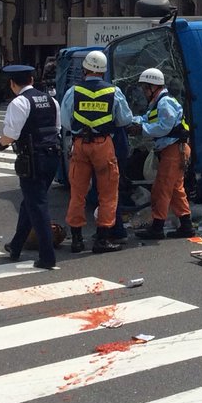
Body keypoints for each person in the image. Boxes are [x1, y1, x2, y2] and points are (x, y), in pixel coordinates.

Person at [61, 50, 132, 254]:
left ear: (85, 69)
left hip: (80, 144)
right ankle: (103, 239)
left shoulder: (73, 91)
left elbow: (65, 121)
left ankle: (76, 240)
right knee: (108, 193)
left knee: (77, 193)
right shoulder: (113, 91)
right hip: (103, 144)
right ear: (103, 71)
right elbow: (124, 119)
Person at [0, 64, 62, 270]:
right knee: (31, 201)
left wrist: (0, 144)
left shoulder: (19, 102)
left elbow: (11, 135)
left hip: (33, 159)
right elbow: (57, 128)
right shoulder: (51, 100)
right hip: (53, 157)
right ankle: (16, 246)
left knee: (38, 205)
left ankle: (47, 256)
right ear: (32, 80)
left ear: (12, 84)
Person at [130, 68, 195, 240]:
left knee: (161, 189)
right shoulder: (158, 103)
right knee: (175, 189)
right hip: (174, 149)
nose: (144, 92)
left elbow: (164, 126)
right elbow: (147, 119)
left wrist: (141, 130)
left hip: (173, 150)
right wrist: (132, 121)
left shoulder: (164, 103)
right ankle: (186, 225)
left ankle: (157, 228)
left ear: (154, 87)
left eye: (145, 88)